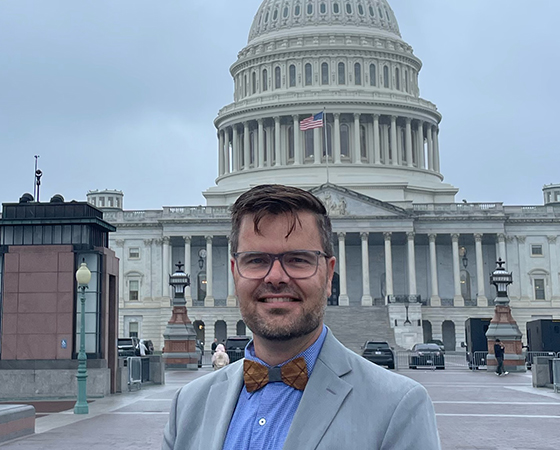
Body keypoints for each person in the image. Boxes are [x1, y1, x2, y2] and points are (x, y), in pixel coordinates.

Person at [163, 185, 440, 449]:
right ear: (235, 272)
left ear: (329, 275)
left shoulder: (398, 407)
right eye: (256, 259)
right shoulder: (188, 406)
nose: (275, 278)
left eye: (298, 259)